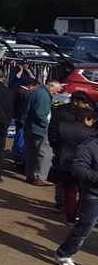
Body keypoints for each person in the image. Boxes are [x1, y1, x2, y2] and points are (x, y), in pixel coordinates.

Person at [53, 115, 98, 265]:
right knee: (84, 227)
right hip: (93, 194)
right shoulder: (89, 146)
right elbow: (78, 169)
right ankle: (63, 254)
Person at [51, 93, 97, 224]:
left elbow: (54, 138)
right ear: (88, 119)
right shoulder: (92, 133)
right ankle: (81, 214)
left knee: (69, 191)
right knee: (84, 192)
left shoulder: (64, 126)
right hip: (85, 165)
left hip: (64, 162)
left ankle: (70, 216)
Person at [24, 79, 62, 185]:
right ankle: (40, 177)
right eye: (57, 90)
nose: (56, 93)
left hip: (29, 126)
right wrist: (46, 125)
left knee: (31, 152)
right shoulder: (44, 95)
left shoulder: (35, 91)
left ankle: (30, 175)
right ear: (51, 86)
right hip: (39, 128)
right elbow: (41, 114)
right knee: (46, 153)